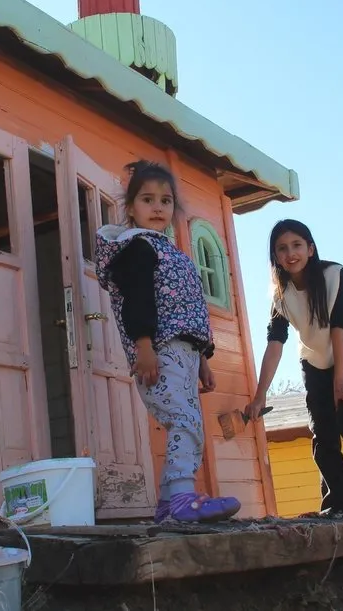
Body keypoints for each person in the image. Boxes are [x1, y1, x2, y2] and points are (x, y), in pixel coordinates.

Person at [95, 160, 241, 524]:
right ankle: (180, 496)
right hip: (158, 353)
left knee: (189, 421)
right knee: (184, 421)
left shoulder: (172, 253)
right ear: (130, 208)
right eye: (147, 199)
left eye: (165, 201)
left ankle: (168, 506)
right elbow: (137, 299)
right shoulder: (138, 248)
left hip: (183, 355)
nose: (158, 207)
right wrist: (143, 345)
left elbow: (186, 312)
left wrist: (203, 360)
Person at [244, 220, 343, 513]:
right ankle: (336, 502)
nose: (290, 253)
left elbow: (337, 326)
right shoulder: (280, 295)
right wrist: (260, 395)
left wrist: (341, 382)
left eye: (296, 245)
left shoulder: (334, 275)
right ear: (275, 257)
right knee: (322, 428)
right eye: (281, 249)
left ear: (310, 248)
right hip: (313, 358)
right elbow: (275, 343)